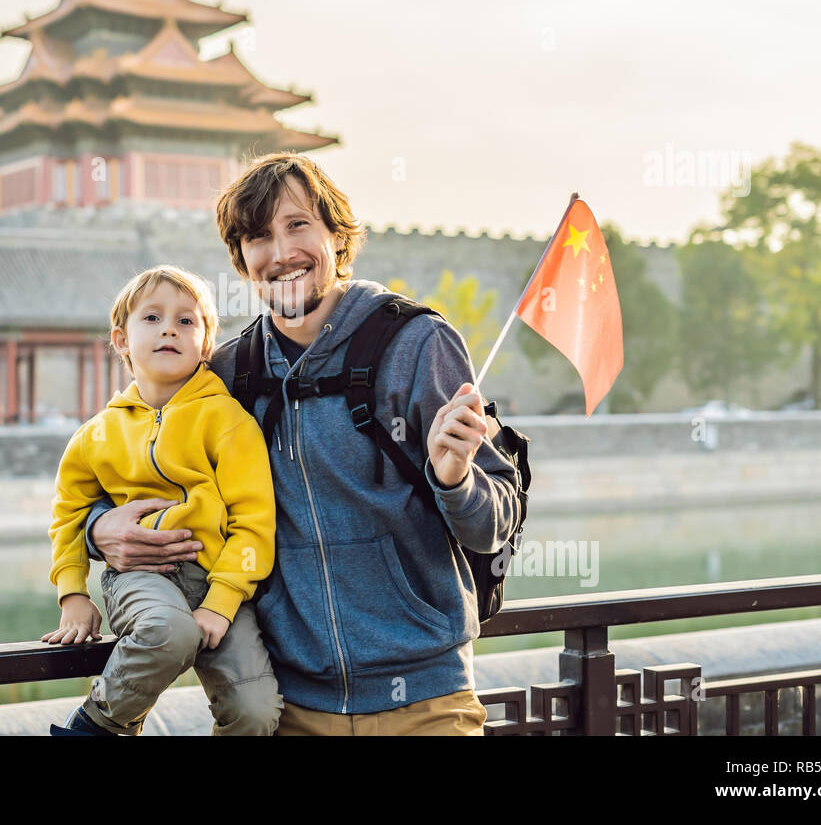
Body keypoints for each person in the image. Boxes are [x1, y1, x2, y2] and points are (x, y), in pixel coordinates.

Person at [82, 152, 522, 735]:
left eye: (298, 225)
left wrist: (456, 479)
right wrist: (97, 528)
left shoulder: (416, 343)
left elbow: (494, 526)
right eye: (258, 236)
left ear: (337, 238)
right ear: (241, 260)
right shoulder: (228, 376)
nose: (281, 251)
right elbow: (132, 468)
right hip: (289, 708)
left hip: (426, 702)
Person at [41, 264, 281, 736]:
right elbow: (68, 515)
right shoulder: (96, 435)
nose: (169, 327)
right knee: (169, 632)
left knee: (256, 711)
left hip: (219, 584)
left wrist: (222, 601)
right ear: (122, 339)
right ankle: (95, 725)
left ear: (206, 345)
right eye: (151, 318)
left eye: (186, 321)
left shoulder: (228, 422)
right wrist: (73, 593)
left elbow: (254, 522)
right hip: (140, 578)